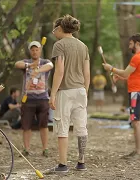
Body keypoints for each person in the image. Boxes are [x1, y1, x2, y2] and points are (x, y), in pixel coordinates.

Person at [49, 14, 90, 172]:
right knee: (81, 126)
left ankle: (63, 164)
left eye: (55, 29)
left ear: (60, 28)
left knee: (62, 126)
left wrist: (53, 94)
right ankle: (81, 162)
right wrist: (85, 91)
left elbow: (59, 71)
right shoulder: (83, 46)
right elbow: (87, 73)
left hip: (65, 91)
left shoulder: (59, 45)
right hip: (80, 90)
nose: (54, 33)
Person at [102, 33, 140, 159]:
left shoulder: (138, 57)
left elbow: (125, 72)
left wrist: (111, 68)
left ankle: (139, 152)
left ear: (137, 43)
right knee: (135, 121)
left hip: (137, 92)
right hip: (137, 91)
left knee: (137, 122)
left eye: (130, 43)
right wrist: (121, 77)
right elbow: (130, 75)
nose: (129, 46)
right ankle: (137, 151)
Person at [14, 40, 53, 157]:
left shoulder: (45, 62)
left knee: (43, 125)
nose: (35, 52)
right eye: (32, 50)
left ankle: (45, 148)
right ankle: (26, 149)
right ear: (30, 51)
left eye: (37, 50)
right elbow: (17, 64)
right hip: (28, 99)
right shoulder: (26, 62)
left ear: (40, 50)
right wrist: (30, 66)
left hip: (42, 98)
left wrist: (38, 70)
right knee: (26, 125)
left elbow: (51, 65)